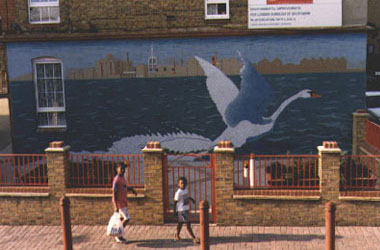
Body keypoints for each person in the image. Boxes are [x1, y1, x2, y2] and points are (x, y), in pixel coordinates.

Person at [112, 161, 137, 243]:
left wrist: (132, 189)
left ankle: (119, 235)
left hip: (123, 202)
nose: (123, 170)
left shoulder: (122, 178)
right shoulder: (116, 180)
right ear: (117, 169)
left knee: (121, 219)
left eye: (123, 169)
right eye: (121, 169)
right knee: (127, 218)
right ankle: (118, 234)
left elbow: (124, 187)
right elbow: (114, 193)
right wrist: (115, 206)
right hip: (119, 204)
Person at [173, 176, 200, 244]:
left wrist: (191, 199)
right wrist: (175, 211)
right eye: (181, 183)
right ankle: (194, 237)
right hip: (182, 211)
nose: (183, 184)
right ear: (178, 184)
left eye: (184, 183)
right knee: (188, 224)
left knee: (180, 223)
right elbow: (175, 202)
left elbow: (186, 197)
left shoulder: (185, 190)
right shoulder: (178, 193)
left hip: (185, 209)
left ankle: (177, 235)